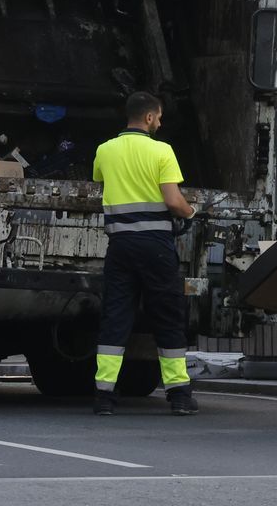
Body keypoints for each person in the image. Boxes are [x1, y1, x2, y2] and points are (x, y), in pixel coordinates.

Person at [92, 92, 198, 416]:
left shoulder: (104, 150)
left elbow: (102, 182)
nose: (160, 123)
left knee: (115, 317)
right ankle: (179, 395)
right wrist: (191, 213)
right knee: (167, 317)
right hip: (155, 247)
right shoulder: (162, 151)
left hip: (120, 246)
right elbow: (173, 201)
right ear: (149, 117)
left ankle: (104, 396)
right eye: (159, 117)